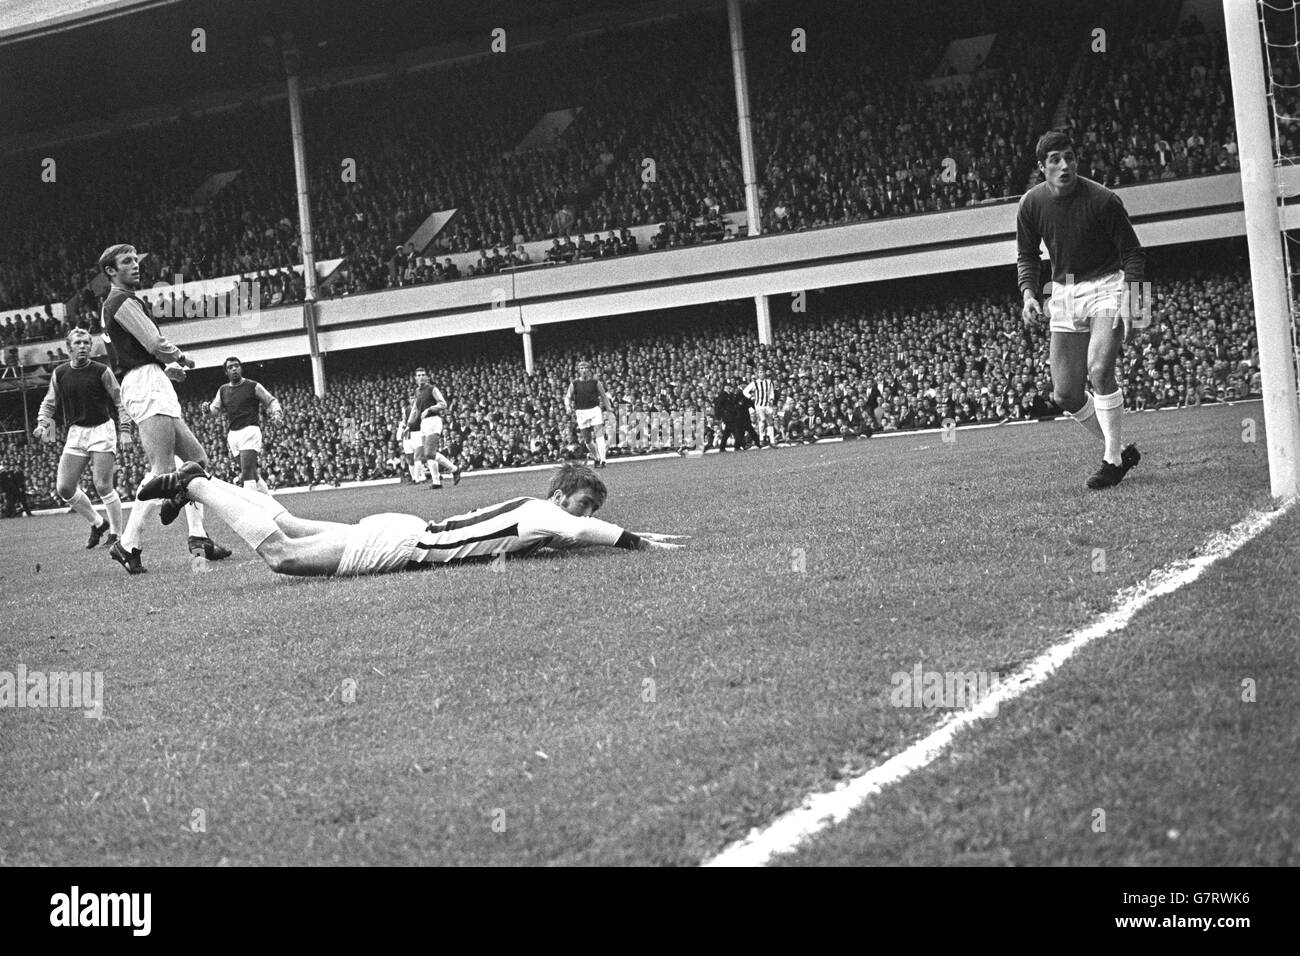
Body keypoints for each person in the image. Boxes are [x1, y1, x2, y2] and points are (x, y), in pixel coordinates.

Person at [136, 461, 683, 577]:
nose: (585, 516)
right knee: (282, 555)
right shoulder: (547, 514)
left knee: (295, 524)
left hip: (407, 528)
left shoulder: (536, 512)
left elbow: (573, 537)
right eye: (584, 503)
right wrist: (636, 543)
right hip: (404, 546)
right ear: (562, 495)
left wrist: (638, 537)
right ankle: (197, 485)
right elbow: (579, 532)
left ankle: (203, 480)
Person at [1018, 131, 1143, 489]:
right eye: (1055, 159)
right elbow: (1027, 254)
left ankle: (1113, 461)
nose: (1064, 165)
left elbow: (1134, 252)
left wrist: (1132, 298)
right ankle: (1116, 448)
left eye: (1069, 157)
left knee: (1100, 369)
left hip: (1107, 285)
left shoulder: (1103, 200)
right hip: (1064, 290)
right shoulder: (1031, 204)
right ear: (1042, 168)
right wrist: (1029, 293)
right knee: (1066, 394)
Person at [97, 242, 232, 574]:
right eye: (126, 261)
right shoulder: (120, 300)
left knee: (196, 460)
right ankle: (130, 543)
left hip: (150, 378)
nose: (135, 265)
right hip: (143, 383)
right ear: (111, 271)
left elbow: (138, 350)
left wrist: (163, 368)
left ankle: (188, 526)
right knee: (161, 470)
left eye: (136, 260)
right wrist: (180, 357)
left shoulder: (120, 302)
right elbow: (154, 343)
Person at [32, 328, 130, 549]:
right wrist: (42, 424)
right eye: (78, 343)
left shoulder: (102, 371)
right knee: (65, 488)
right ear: (69, 348)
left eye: (87, 342)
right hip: (76, 431)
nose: (83, 346)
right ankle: (97, 523)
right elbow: (49, 403)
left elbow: (119, 401)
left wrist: (125, 430)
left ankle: (116, 534)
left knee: (103, 485)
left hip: (102, 430)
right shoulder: (60, 373)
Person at [202, 356, 283, 495]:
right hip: (233, 434)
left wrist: (276, 413)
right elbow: (213, 411)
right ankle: (271, 504)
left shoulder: (253, 386)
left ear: (241, 368)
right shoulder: (223, 390)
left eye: (236, 366)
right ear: (226, 372)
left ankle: (251, 511)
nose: (234, 369)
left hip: (250, 430)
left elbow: (271, 401)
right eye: (230, 367)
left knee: (247, 474)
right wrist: (206, 410)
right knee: (252, 473)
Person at [408, 367, 460, 489]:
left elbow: (443, 404)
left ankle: (455, 469)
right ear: (415, 378)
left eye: (423, 375)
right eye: (418, 375)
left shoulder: (432, 389)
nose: (421, 377)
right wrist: (408, 424)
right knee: (425, 454)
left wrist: (429, 409)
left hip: (434, 421)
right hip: (424, 423)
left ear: (426, 377)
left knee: (429, 452)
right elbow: (415, 409)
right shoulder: (417, 392)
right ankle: (436, 482)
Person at [565, 360, 614, 468]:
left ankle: (603, 460)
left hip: (594, 410)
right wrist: (568, 406)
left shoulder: (595, 382)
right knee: (587, 439)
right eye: (582, 368)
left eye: (586, 368)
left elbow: (604, 396)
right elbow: (568, 397)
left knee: (599, 435)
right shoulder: (574, 384)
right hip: (581, 412)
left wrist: (608, 407)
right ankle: (596, 457)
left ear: (589, 370)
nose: (584, 370)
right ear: (579, 370)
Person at [743, 366, 778, 447]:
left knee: (770, 422)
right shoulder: (755, 383)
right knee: (762, 420)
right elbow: (745, 391)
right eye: (760, 372)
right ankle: (761, 439)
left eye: (763, 372)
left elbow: (772, 392)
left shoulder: (769, 382)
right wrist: (751, 397)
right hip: (759, 405)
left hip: (767, 405)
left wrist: (772, 399)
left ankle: (772, 441)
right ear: (757, 374)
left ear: (765, 373)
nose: (761, 374)